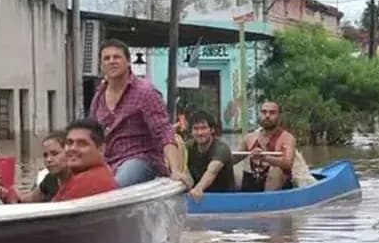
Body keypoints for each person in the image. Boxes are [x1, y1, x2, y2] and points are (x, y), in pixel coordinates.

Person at [87, 39, 192, 189]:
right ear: (101, 65)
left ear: (128, 62)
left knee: (117, 185)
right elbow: (92, 135)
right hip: (107, 161)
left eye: (117, 57)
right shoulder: (99, 96)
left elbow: (164, 131)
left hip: (141, 159)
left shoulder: (145, 92)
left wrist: (175, 170)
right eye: (107, 58)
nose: (112, 61)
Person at [52, 119, 118, 202]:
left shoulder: (90, 181)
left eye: (82, 143)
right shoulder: (96, 174)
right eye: (69, 143)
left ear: (101, 149)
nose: (73, 148)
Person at [238, 101, 297, 192]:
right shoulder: (249, 138)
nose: (267, 116)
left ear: (279, 116)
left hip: (278, 185)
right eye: (264, 112)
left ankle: (268, 200)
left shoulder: (287, 138)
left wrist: (264, 157)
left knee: (276, 171)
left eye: (272, 112)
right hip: (254, 181)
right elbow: (234, 158)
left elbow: (288, 163)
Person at [186, 111, 242, 201]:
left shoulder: (221, 148)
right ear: (191, 132)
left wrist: (198, 188)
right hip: (199, 199)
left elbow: (212, 171)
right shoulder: (188, 147)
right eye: (195, 129)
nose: (199, 133)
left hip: (224, 199)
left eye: (203, 128)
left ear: (212, 130)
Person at [20, 131, 68, 203]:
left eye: (55, 154)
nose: (48, 159)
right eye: (45, 155)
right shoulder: (50, 178)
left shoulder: (81, 180)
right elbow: (28, 199)